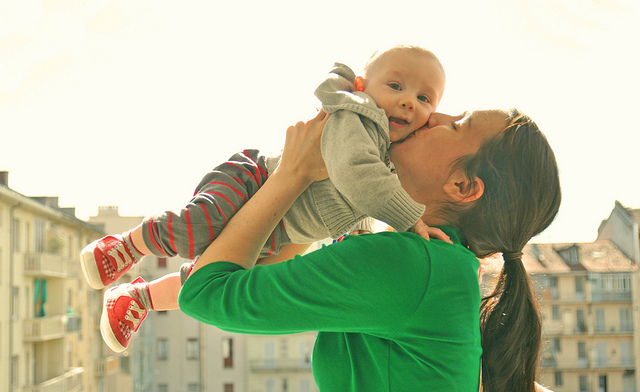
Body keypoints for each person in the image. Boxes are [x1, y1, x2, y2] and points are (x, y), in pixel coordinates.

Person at [80, 45, 449, 353]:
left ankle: (138, 298)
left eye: (422, 98)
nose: (407, 102)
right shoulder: (358, 117)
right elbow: (357, 175)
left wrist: (359, 232)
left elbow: (365, 194)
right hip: (253, 181)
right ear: (361, 86)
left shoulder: (391, 154)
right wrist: (410, 219)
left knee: (216, 272)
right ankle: (128, 245)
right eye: (396, 86)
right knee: (198, 229)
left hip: (281, 228)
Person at [178, 109, 562, 391]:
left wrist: (291, 174)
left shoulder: (409, 264)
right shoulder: (443, 266)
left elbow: (205, 293)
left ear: (462, 187)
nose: (432, 115)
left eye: (457, 125)